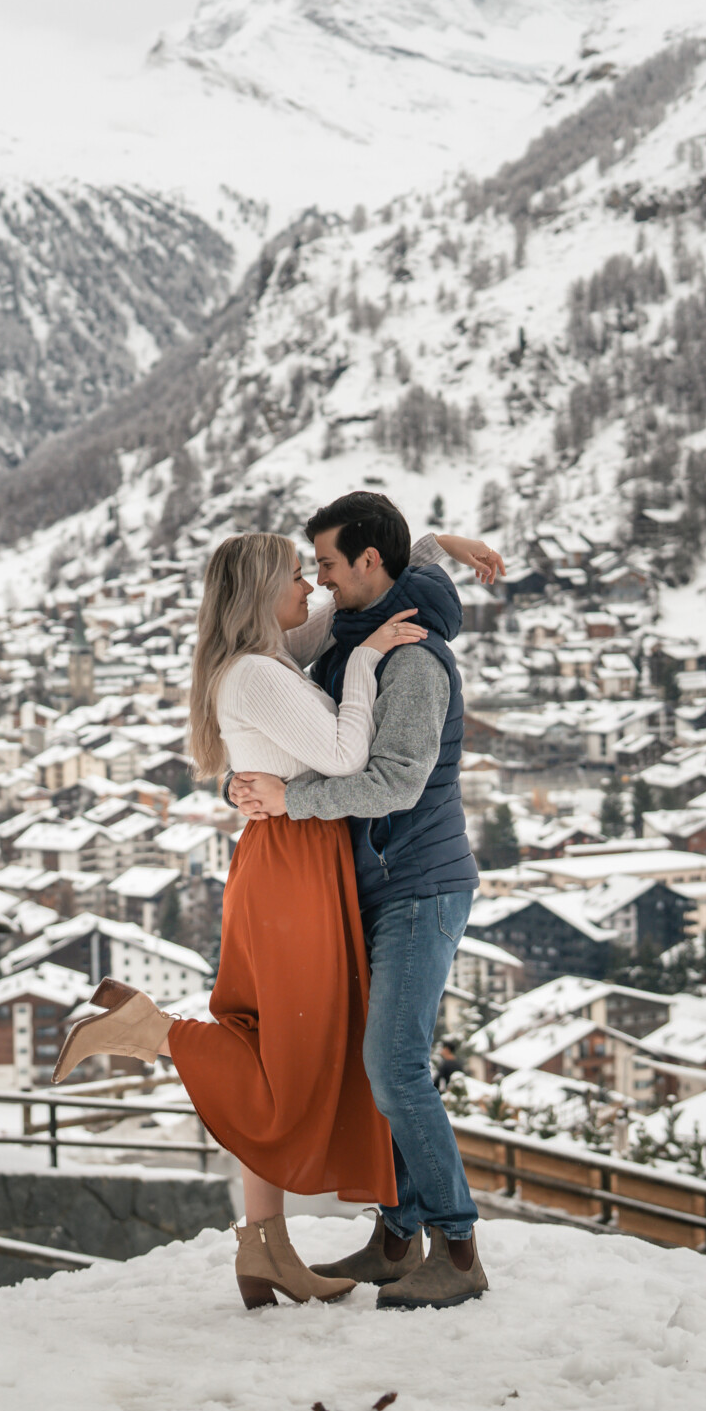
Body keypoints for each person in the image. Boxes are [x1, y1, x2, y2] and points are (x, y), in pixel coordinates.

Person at [50, 526, 482, 1308]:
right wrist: (353, 670)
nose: (312, 587)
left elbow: (370, 587)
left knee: (303, 1049)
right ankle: (151, 1030)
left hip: (311, 865)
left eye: (318, 568)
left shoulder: (279, 650)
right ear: (262, 594)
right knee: (294, 1055)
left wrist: (435, 548)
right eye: (297, 573)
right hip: (296, 872)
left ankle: (271, 1246)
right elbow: (348, 753)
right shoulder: (260, 670)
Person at [231, 491, 501, 1311]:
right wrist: (439, 542)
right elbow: (399, 560)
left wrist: (288, 801)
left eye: (327, 564)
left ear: (369, 565)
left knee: (393, 1067)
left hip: (419, 882)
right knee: (370, 1060)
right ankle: (396, 1232)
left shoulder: (411, 658)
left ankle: (457, 1247)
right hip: (375, 885)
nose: (316, 582)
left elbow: (395, 779)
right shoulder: (360, 625)